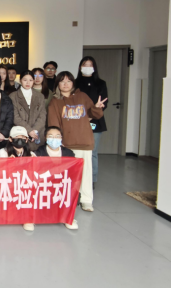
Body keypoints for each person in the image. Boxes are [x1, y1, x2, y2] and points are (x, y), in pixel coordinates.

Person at [48, 71, 106, 213]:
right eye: (62, 81)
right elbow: (53, 123)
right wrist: (57, 141)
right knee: (67, 175)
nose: (66, 84)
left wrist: (97, 107)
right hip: (67, 144)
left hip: (84, 142)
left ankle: (86, 200)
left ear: (73, 83)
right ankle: (68, 199)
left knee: (86, 173)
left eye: (68, 81)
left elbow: (94, 114)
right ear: (58, 84)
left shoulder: (82, 96)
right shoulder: (55, 101)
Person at [76, 57, 108, 189]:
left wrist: (93, 113)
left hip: (95, 121)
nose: (87, 67)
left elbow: (103, 103)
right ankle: (77, 177)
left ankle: (92, 179)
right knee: (77, 150)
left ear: (94, 68)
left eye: (90, 65)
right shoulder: (75, 83)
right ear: (80, 67)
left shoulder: (101, 83)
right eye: (85, 65)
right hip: (77, 121)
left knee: (92, 152)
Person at [10, 70, 47, 152]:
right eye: (25, 80)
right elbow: (15, 117)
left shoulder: (40, 96)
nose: (28, 83)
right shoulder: (13, 96)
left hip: (37, 134)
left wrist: (35, 131)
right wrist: (29, 131)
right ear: (20, 80)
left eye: (30, 80)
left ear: (33, 81)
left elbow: (42, 115)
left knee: (37, 157)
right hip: (20, 134)